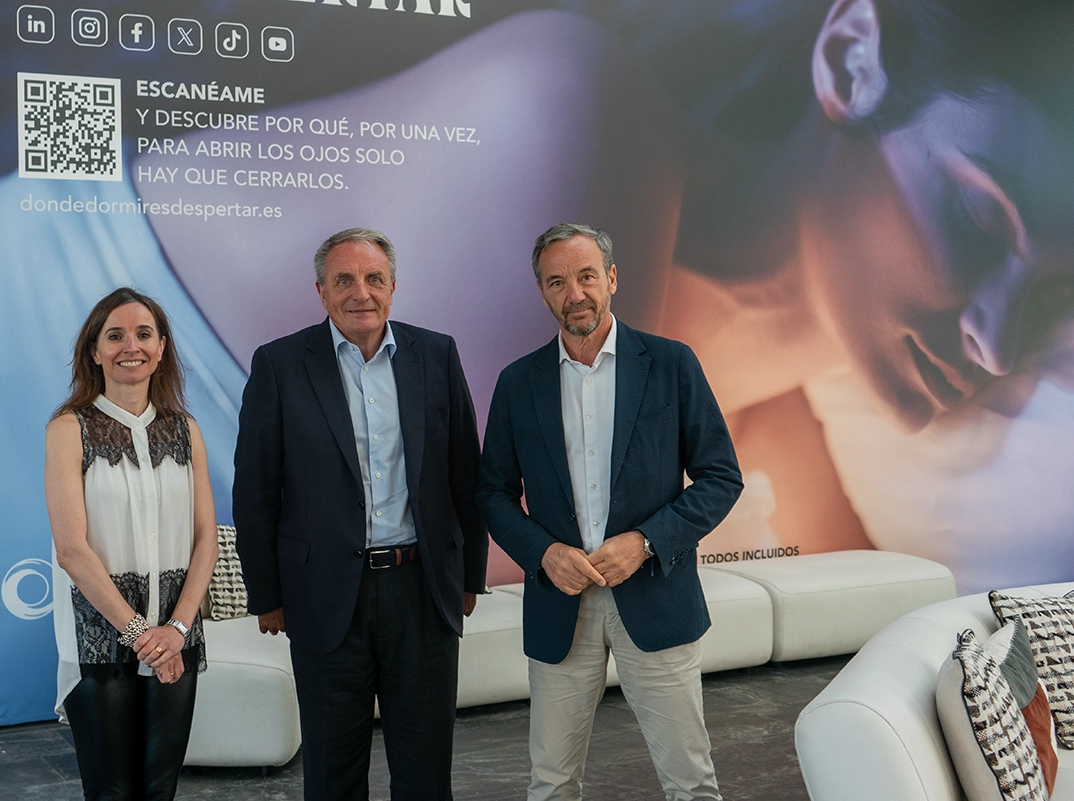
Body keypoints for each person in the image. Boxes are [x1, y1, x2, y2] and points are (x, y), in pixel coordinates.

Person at [478, 223, 743, 801]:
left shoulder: (671, 364)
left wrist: (645, 542)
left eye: (586, 276)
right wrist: (544, 553)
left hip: (655, 596)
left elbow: (722, 477)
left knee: (691, 784)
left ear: (612, 279)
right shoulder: (518, 383)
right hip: (559, 605)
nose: (574, 293)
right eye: (557, 282)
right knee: (551, 784)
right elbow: (492, 494)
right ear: (542, 292)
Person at [232, 228, 488, 801]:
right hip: (322, 595)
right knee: (332, 775)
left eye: (374, 278)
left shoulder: (437, 354)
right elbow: (255, 491)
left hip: (421, 590)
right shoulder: (279, 364)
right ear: (321, 291)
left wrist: (469, 578)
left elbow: (464, 474)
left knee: (426, 774)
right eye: (344, 280)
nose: (360, 292)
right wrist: (266, 594)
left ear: (393, 286)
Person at [44, 288, 219, 801]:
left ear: (161, 348)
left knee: (160, 790)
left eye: (144, 334)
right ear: (94, 351)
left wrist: (177, 630)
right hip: (99, 635)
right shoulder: (68, 429)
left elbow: (206, 538)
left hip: (177, 634)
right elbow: (71, 549)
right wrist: (144, 636)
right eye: (115, 335)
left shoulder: (185, 430)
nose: (131, 346)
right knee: (111, 793)